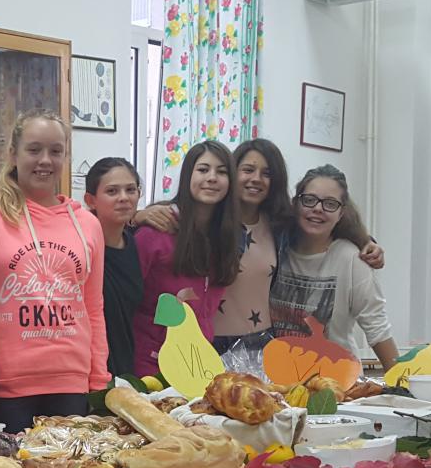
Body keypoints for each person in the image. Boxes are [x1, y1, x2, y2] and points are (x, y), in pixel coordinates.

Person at [133, 138, 384, 351]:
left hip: (261, 344)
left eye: (267, 173)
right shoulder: (209, 221)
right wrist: (136, 216)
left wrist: (364, 241)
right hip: (205, 344)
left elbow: (324, 220)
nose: (256, 179)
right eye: (248, 170)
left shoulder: (280, 225)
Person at [0, 111, 109, 432]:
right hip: (3, 385)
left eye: (55, 151)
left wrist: (98, 379)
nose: (45, 160)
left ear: (65, 157)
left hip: (70, 383)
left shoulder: (87, 224)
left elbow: (93, 308)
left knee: (70, 466)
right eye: (34, 150)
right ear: (13, 154)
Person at [128, 141, 239, 379]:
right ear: (188, 175)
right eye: (203, 169)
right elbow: (123, 300)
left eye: (221, 172)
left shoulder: (225, 236)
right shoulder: (156, 230)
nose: (212, 178)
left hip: (197, 366)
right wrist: (134, 217)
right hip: (150, 364)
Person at [273, 165, 400, 368]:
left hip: (339, 381)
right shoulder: (275, 250)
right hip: (280, 379)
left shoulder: (351, 258)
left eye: (330, 204)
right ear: (296, 204)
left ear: (341, 213)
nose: (318, 208)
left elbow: (377, 327)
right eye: (309, 200)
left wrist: (402, 381)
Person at [82, 158, 144, 384]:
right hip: (87, 373)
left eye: (130, 190)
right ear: (91, 200)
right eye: (112, 191)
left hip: (126, 372)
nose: (124, 198)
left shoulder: (135, 243)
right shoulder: (80, 248)